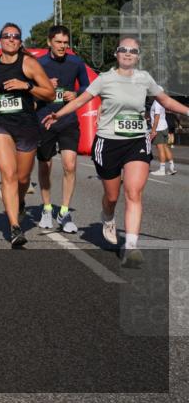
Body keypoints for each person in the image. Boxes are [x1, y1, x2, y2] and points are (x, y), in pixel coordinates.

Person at [43, 36, 189, 266]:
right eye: (123, 49)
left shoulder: (145, 78)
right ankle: (108, 217)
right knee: (112, 196)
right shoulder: (105, 79)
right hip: (108, 142)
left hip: (137, 141)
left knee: (133, 193)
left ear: (138, 56)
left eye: (133, 50)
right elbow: (81, 100)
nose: (128, 53)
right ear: (116, 54)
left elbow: (167, 102)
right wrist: (58, 114)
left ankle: (131, 246)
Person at [0, 23, 55, 247]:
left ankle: (20, 201)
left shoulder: (30, 64)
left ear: (20, 41)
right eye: (7, 36)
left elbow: (49, 93)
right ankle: (14, 227)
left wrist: (26, 86)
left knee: (22, 178)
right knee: (8, 174)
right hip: (0, 122)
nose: (11, 39)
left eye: (16, 36)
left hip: (26, 125)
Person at [35, 25, 90, 233]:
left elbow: (86, 86)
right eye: (58, 42)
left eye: (65, 43)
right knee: (45, 166)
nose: (62, 46)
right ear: (49, 42)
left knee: (70, 164)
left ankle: (64, 211)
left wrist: (76, 93)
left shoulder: (75, 62)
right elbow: (29, 91)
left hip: (67, 120)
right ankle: (47, 209)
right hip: (44, 120)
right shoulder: (39, 64)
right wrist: (45, 86)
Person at [149, 99, 175, 176]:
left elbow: (157, 116)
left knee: (160, 149)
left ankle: (162, 169)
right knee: (166, 147)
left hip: (158, 128)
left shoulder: (157, 103)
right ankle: (172, 167)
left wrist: (153, 130)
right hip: (164, 126)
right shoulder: (162, 101)